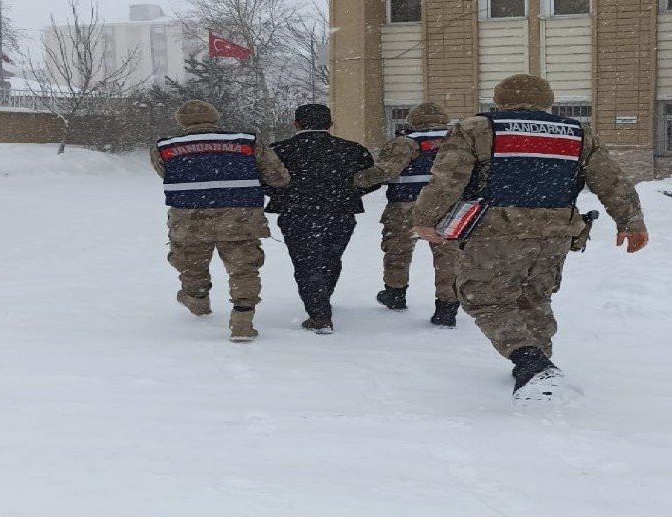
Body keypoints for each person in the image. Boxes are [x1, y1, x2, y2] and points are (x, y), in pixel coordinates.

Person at [411, 74, 649, 400]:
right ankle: (541, 364)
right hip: (557, 232)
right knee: (535, 296)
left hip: (497, 231)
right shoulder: (577, 132)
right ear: (547, 100)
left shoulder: (477, 128)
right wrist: (631, 221)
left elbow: (448, 179)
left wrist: (426, 219)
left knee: (484, 297)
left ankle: (531, 363)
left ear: (499, 99)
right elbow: (612, 180)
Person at [151, 99, 289, 343]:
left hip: (189, 220)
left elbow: (166, 173)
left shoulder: (164, 147)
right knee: (244, 269)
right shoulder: (247, 142)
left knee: (191, 264)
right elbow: (278, 177)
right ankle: (242, 322)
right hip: (240, 218)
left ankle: (197, 300)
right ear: (215, 117)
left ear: (181, 122)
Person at [265, 103, 376, 334]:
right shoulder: (352, 150)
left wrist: (285, 195)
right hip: (340, 213)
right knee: (330, 257)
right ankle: (322, 296)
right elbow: (372, 179)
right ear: (330, 124)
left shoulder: (278, 151)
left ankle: (319, 313)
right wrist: (348, 193)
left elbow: (265, 180)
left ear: (295, 124)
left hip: (296, 214)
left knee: (306, 261)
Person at [353, 101, 460, 327]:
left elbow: (386, 171)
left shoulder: (406, 142)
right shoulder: (459, 140)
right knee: (448, 256)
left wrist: (355, 180)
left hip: (406, 204)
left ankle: (395, 293)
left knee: (398, 250)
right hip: (449, 205)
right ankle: (447, 307)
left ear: (414, 120)